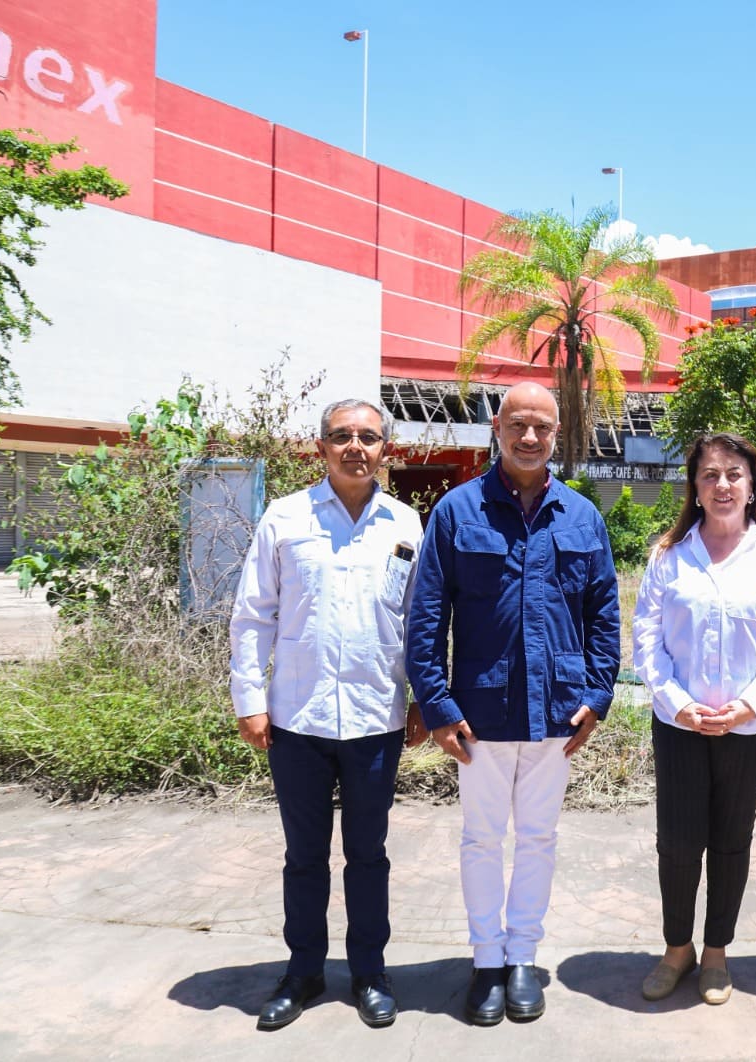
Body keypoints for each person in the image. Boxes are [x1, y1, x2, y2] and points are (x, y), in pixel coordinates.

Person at [405, 381, 621, 1027]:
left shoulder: (581, 517)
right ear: (496, 429)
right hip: (481, 713)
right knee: (480, 839)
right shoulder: (457, 511)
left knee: (538, 838)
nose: (530, 437)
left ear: (558, 434)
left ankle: (523, 956)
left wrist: (598, 696)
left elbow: (604, 615)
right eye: (518, 424)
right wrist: (437, 704)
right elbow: (426, 615)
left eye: (542, 427)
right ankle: (486, 961)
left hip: (557, 712)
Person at [230, 398, 428, 1031]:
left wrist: (424, 697)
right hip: (298, 717)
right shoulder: (286, 518)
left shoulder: (406, 524)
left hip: (376, 717)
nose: (355, 447)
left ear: (385, 450)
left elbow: (421, 622)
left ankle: (370, 971)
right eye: (342, 436)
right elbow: (253, 614)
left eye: (368, 437)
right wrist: (249, 700)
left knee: (368, 854)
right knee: (304, 856)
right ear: (320, 448)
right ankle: (303, 972)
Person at [632, 433, 756, 1006]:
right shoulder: (669, 556)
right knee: (678, 841)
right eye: (710, 474)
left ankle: (715, 953)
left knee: (731, 839)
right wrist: (678, 703)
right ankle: (677, 949)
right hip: (679, 724)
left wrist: (751, 704)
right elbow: (645, 640)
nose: (723, 485)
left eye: (734, 473)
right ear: (695, 486)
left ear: (753, 484)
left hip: (749, 727)